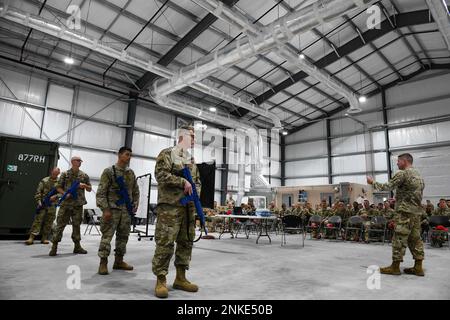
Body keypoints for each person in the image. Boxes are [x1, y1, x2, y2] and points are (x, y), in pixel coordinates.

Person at [152, 125, 201, 298]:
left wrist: (196, 195)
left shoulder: (191, 159)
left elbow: (197, 182)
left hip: (187, 208)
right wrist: (182, 182)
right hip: (170, 208)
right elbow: (161, 175)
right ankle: (161, 280)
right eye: (192, 136)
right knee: (165, 243)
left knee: (185, 242)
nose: (194, 139)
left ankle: (180, 278)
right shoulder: (166, 154)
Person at [367, 153, 425, 276]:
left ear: (404, 161)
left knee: (399, 238)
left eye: (398, 161)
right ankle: (418, 267)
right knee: (415, 239)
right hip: (416, 213)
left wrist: (373, 182)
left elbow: (387, 186)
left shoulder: (402, 173)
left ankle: (395, 267)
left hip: (404, 213)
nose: (397, 164)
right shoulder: (418, 174)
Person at [96, 147, 140, 275]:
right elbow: (101, 193)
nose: (129, 157)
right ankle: (103, 262)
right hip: (112, 210)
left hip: (126, 211)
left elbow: (135, 191)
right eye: (127, 154)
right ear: (119, 155)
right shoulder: (109, 172)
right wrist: (105, 209)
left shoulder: (131, 173)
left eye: (130, 155)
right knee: (107, 237)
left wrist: (135, 203)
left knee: (123, 237)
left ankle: (119, 261)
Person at [50, 156, 91, 256]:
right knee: (60, 225)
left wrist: (84, 186)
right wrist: (65, 193)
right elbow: (58, 187)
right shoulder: (65, 174)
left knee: (76, 226)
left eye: (80, 161)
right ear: (72, 162)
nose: (80, 162)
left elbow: (89, 188)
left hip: (78, 204)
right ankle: (54, 247)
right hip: (66, 204)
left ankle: (77, 247)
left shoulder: (84, 175)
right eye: (78, 161)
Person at [26, 168, 60, 245]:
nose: (54, 175)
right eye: (53, 173)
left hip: (52, 204)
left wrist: (56, 196)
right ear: (51, 172)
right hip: (43, 203)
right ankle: (31, 237)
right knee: (38, 220)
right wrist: (39, 202)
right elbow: (38, 192)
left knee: (49, 221)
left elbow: (62, 192)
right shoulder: (44, 180)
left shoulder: (60, 182)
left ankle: (44, 238)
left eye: (56, 174)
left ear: (58, 173)